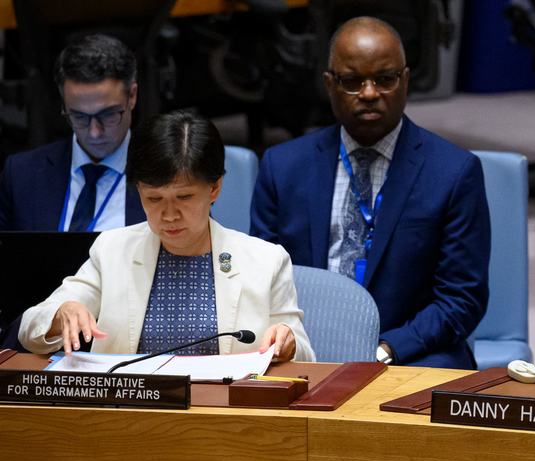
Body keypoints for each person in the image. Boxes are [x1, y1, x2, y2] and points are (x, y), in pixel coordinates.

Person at [251, 17, 490, 369]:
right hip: (303, 348)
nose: (368, 93)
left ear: (405, 81)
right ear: (329, 84)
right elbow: (264, 280)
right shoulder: (282, 167)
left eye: (385, 79)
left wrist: (384, 350)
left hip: (410, 350)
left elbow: (461, 298)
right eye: (351, 81)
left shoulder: (453, 172)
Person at [20, 111, 314, 362]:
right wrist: (62, 314)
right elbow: (30, 328)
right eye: (154, 198)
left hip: (227, 417)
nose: (169, 215)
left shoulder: (266, 260)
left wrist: (287, 344)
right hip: (130, 414)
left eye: (184, 197)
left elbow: (305, 356)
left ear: (214, 189)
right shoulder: (113, 250)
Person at [0, 34, 146, 231]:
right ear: (63, 105)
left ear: (132, 96)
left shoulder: (168, 176)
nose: (94, 132)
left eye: (108, 115)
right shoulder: (21, 176)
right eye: (79, 117)